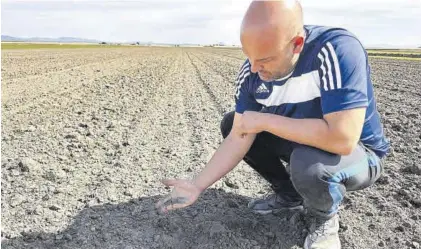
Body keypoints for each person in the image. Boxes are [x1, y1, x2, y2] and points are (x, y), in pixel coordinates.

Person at [155, 0, 390, 248]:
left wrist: (265, 120)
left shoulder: (335, 50)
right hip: (304, 143)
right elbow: (238, 135)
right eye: (250, 57)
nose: (255, 69)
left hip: (360, 154)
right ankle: (289, 195)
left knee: (309, 165)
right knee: (232, 122)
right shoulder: (252, 73)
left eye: (265, 59)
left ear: (296, 44)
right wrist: (196, 184)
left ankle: (323, 218)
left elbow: (343, 138)